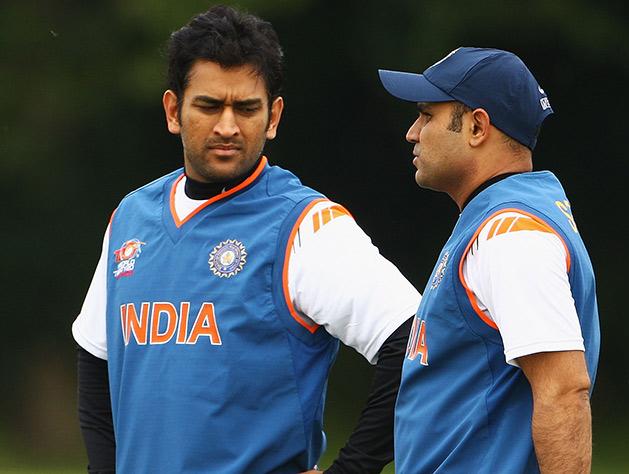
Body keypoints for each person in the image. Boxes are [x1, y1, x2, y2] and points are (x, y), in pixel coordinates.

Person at [72, 6, 420, 473]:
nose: (228, 127)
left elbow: (416, 342)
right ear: (174, 111)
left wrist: (351, 469)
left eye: (247, 108)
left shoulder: (308, 226)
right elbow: (96, 359)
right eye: (210, 105)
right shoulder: (131, 218)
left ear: (273, 116)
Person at [378, 47, 600, 473]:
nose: (412, 132)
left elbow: (564, 390)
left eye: (427, 115)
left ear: (478, 126)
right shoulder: (495, 221)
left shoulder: (512, 235)